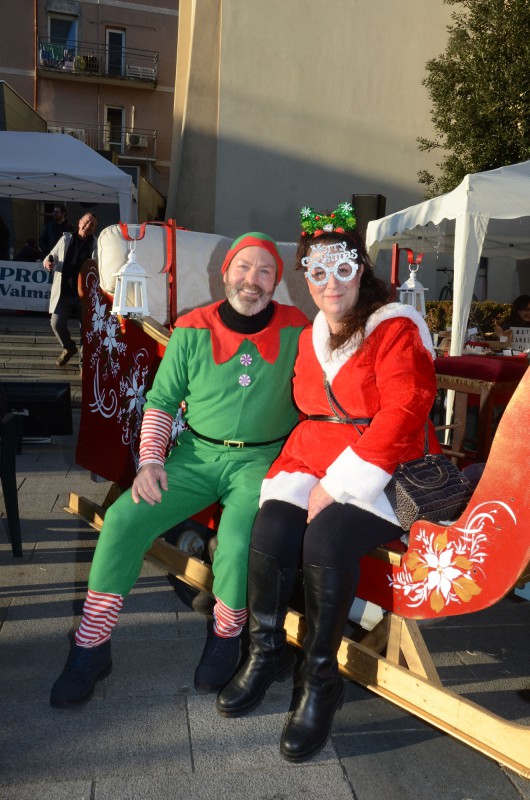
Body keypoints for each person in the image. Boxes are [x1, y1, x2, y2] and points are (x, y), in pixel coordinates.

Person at [217, 203, 441, 762]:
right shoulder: (312, 333)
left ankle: (319, 681)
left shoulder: (394, 327)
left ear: (360, 270)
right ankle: (265, 651)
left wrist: (341, 484)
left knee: (325, 538)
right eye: (317, 272)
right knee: (271, 526)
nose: (330, 283)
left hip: (385, 465)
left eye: (342, 269)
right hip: (314, 457)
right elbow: (305, 405)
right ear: (307, 277)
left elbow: (405, 410)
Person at [50, 231, 309, 708]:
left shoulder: (299, 328)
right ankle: (91, 643)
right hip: (195, 455)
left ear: (276, 281)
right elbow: (162, 401)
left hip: (261, 461)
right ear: (225, 272)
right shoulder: (192, 327)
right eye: (244, 267)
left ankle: (226, 635)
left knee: (236, 541)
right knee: (123, 519)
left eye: (265, 271)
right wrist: (150, 461)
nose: (253, 280)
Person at [43, 212, 98, 366]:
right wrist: (47, 263)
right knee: (56, 324)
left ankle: (83, 365)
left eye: (92, 224)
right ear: (79, 222)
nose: (88, 226)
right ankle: (68, 347)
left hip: (85, 295)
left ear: (95, 229)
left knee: (86, 330)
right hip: (64, 292)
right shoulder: (65, 239)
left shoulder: (97, 244)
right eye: (86, 222)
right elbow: (51, 255)